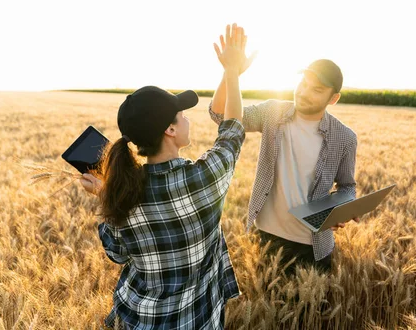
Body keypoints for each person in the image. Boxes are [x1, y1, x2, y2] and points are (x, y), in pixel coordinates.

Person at [80, 24, 248, 329]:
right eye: (181, 115)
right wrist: (233, 71)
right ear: (170, 130)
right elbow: (233, 129)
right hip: (193, 320)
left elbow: (117, 255)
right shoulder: (202, 179)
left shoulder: (121, 193)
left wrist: (106, 195)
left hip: (136, 319)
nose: (186, 118)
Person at [210, 31, 358, 275]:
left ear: (334, 98)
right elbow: (220, 116)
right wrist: (231, 72)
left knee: (311, 314)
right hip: (267, 236)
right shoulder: (273, 112)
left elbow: (347, 186)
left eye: (316, 90)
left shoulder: (345, 138)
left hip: (314, 245)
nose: (304, 93)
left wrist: (342, 206)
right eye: (303, 84)